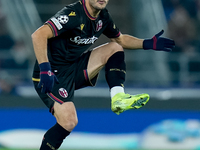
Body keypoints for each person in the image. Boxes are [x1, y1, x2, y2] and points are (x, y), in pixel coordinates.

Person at [31, 0, 175, 149]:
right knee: (68, 121)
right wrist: (44, 68)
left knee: (114, 47)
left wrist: (146, 43)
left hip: (74, 68)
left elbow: (120, 39)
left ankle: (118, 97)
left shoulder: (103, 17)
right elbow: (38, 35)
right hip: (51, 74)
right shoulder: (72, 14)